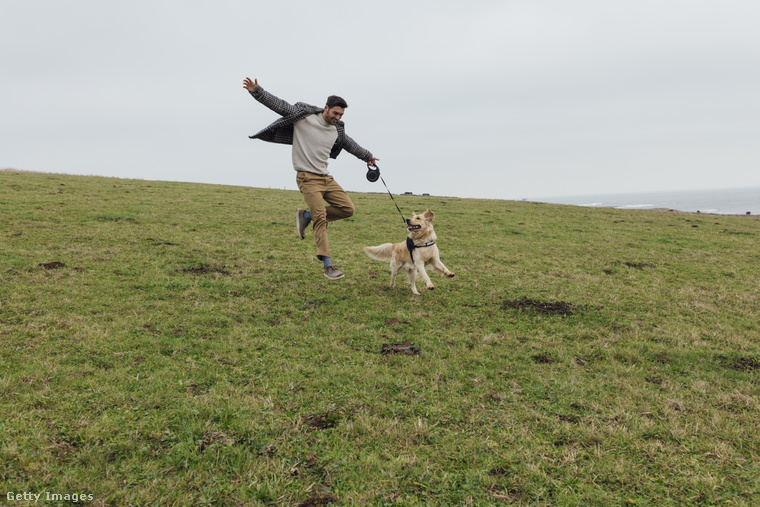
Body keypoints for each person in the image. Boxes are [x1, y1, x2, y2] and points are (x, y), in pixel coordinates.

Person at [243, 77, 379, 280]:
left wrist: (367, 157)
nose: (337, 117)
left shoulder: (337, 129)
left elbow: (350, 144)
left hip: (326, 178)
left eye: (341, 114)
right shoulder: (304, 118)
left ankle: (305, 216)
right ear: (326, 108)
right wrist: (256, 91)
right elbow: (279, 105)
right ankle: (328, 265)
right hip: (307, 178)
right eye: (335, 113)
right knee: (321, 218)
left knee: (348, 209)